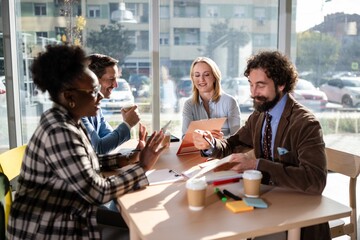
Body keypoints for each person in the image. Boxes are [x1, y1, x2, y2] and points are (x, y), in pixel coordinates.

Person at [7, 44, 166, 239]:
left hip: (67, 215)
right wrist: (142, 165)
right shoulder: (59, 131)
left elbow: (84, 165)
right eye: (92, 91)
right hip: (50, 230)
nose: (99, 96)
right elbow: (97, 192)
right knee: (143, 231)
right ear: (70, 97)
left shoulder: (69, 119)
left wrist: (129, 158)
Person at [192, 51, 330, 240]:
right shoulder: (260, 115)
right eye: (251, 84)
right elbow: (234, 144)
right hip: (264, 203)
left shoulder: (305, 124)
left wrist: (257, 165)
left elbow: (315, 181)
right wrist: (211, 144)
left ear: (281, 84)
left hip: (297, 217)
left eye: (260, 85)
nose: (253, 93)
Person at [81, 53, 140, 154]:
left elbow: (108, 137)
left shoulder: (95, 107)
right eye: (111, 79)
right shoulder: (78, 111)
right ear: (93, 79)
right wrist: (127, 124)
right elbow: (99, 148)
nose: (116, 84)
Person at [182, 57, 240, 138]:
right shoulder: (189, 104)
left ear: (214, 76)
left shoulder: (229, 102)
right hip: (198, 150)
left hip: (225, 149)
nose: (201, 79)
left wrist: (219, 141)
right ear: (193, 78)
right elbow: (185, 137)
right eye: (197, 75)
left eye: (206, 74)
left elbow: (236, 138)